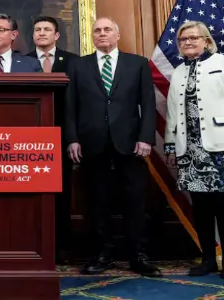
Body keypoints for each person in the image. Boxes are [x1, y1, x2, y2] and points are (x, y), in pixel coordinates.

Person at [64, 17, 160, 277]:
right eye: (97, 30)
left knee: (135, 201)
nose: (102, 34)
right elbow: (70, 107)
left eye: (107, 30)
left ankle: (138, 256)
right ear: (92, 37)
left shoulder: (137, 64)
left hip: (130, 144)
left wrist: (146, 138)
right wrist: (72, 138)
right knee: (97, 201)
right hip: (91, 144)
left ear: (117, 35)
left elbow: (148, 104)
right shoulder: (78, 65)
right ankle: (102, 254)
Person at [163, 21, 224, 279]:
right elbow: (172, 112)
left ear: (206, 40)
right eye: (183, 40)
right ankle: (207, 259)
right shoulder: (179, 71)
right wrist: (171, 146)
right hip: (190, 149)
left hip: (223, 146)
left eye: (193, 38)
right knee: (201, 209)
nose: (188, 43)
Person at [26, 15, 77, 261]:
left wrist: (72, 138)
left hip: (61, 136)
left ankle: (62, 246)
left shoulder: (73, 62)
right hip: (29, 138)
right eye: (38, 29)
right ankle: (33, 243)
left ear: (56, 35)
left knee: (61, 192)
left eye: (47, 29)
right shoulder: (22, 61)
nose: (42, 33)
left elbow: (77, 104)